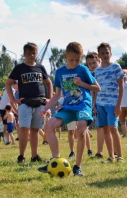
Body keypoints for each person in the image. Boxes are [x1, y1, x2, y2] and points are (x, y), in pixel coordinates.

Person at [38, 42, 100, 176]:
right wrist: (46, 108)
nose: (74, 62)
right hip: (68, 106)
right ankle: (56, 161)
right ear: (65, 56)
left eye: (78, 59)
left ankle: (78, 167)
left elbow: (97, 87)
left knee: (81, 130)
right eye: (71, 60)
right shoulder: (60, 72)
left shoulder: (83, 69)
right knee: (49, 126)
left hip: (83, 104)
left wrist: (82, 83)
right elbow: (57, 95)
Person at [5, 42, 53, 163]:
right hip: (25, 103)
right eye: (29, 53)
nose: (32, 55)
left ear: (36, 53)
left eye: (34, 53)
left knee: (36, 129)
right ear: (24, 54)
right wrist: (13, 99)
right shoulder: (20, 68)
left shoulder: (40, 67)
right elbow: (8, 83)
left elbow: (49, 83)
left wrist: (49, 98)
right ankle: (22, 156)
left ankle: (34, 156)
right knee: (24, 129)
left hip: (40, 102)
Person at [94, 42, 125, 163]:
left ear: (110, 54)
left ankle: (120, 156)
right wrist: (95, 104)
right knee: (105, 129)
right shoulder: (97, 71)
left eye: (107, 52)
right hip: (100, 103)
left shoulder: (116, 67)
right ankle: (111, 156)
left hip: (112, 103)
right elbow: (96, 89)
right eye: (102, 53)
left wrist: (119, 105)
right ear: (99, 56)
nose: (105, 55)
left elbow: (121, 87)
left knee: (113, 128)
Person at [86, 51, 104, 158]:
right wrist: (94, 105)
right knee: (99, 128)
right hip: (97, 103)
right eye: (89, 64)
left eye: (94, 63)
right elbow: (92, 91)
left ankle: (115, 151)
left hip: (108, 102)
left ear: (99, 61)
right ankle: (99, 151)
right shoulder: (89, 74)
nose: (92, 66)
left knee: (111, 128)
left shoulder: (102, 71)